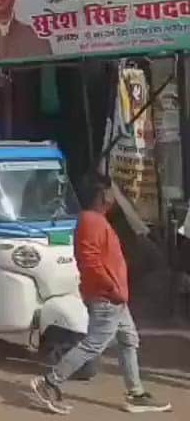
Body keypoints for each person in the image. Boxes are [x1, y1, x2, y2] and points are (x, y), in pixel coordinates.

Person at [31, 174, 172, 415]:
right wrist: (112, 288)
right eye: (110, 191)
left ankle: (135, 393)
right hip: (108, 297)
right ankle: (49, 382)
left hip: (115, 297)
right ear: (101, 195)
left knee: (129, 339)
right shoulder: (91, 221)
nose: (113, 196)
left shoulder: (97, 220)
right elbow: (90, 262)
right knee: (93, 345)